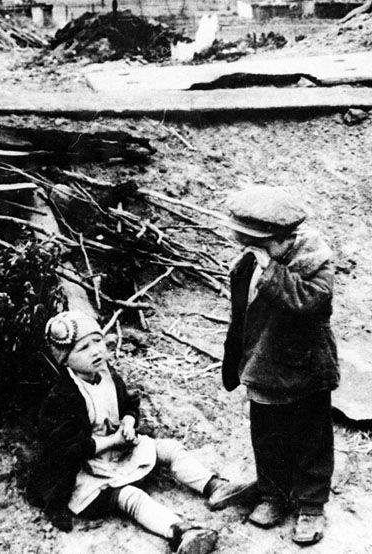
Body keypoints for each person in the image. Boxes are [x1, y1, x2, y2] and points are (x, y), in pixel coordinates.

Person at [27, 311, 255, 554]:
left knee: (169, 448)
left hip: (119, 452)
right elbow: (68, 448)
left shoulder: (106, 374)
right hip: (85, 472)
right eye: (83, 348)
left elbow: (128, 403)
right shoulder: (63, 396)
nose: (96, 351)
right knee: (130, 496)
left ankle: (214, 486)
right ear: (65, 360)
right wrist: (113, 439)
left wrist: (127, 420)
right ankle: (181, 531)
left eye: (97, 341)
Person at [222, 185, 340, 545]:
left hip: (305, 369)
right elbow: (240, 315)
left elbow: (307, 302)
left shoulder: (315, 263)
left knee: (311, 439)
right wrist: (234, 359)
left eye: (258, 244)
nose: (248, 249)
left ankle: (310, 505)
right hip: (262, 366)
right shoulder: (249, 262)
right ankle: (273, 494)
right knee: (267, 437)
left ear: (283, 239)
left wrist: (270, 270)